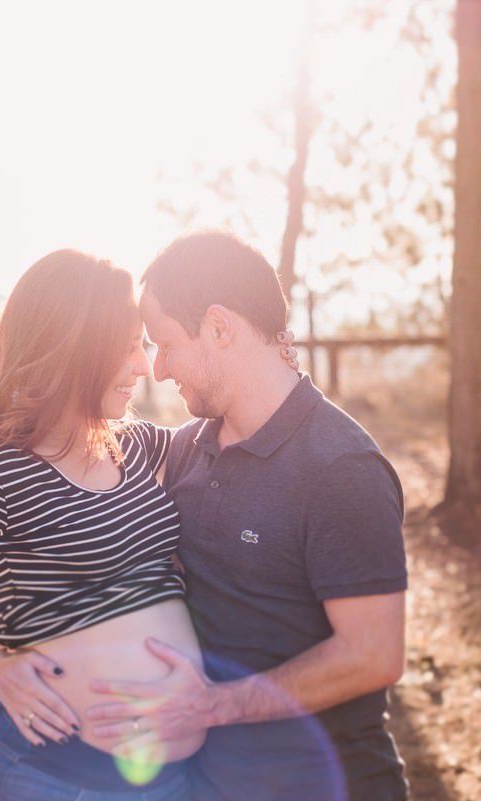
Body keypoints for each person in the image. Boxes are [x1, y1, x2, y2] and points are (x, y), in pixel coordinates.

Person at [0, 248, 297, 801]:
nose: (145, 367)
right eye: (127, 346)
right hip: (50, 779)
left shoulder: (144, 448)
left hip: (171, 782)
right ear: (73, 348)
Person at [86, 231, 410, 801]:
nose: (158, 371)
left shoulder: (341, 467)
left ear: (219, 327)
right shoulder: (184, 449)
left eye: (166, 344)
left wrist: (212, 706)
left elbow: (374, 655)